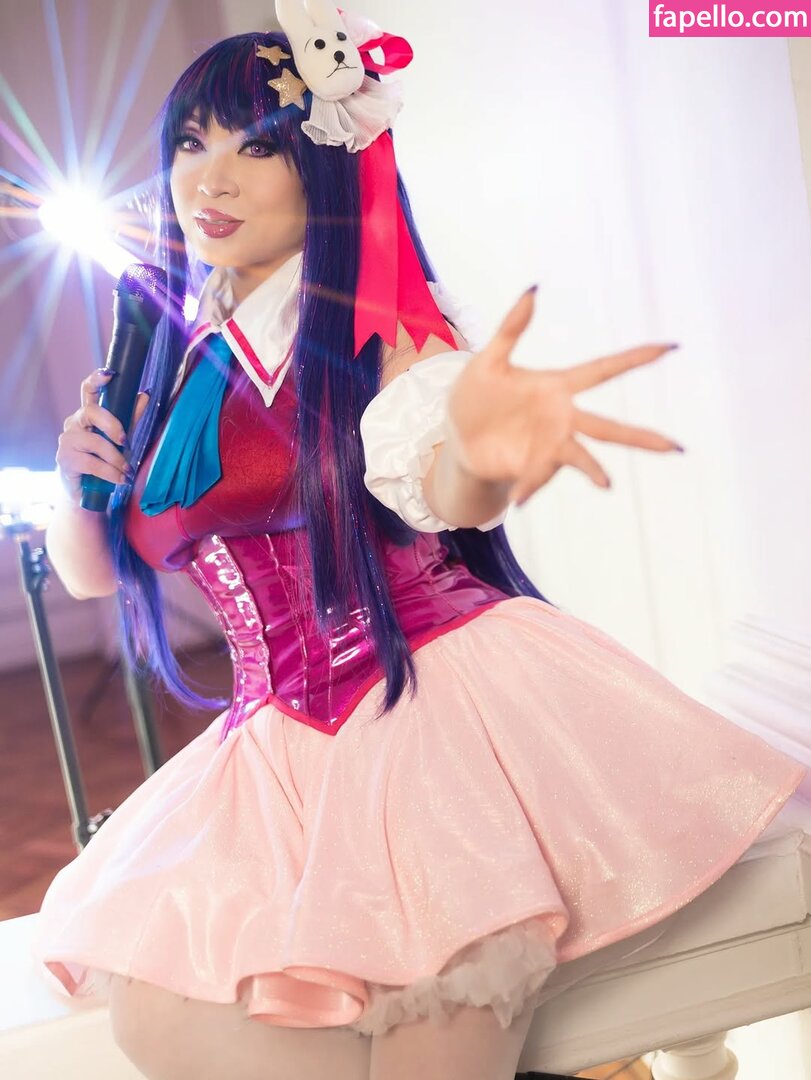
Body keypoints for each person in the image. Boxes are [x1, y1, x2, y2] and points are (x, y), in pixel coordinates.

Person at [32, 5, 806, 1080]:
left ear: (325, 167)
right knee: (162, 1017)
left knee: (434, 1012)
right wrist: (82, 477)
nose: (210, 178)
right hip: (273, 745)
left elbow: (445, 485)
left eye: (258, 147)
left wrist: (483, 449)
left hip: (426, 708)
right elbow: (89, 573)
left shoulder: (383, 326)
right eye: (191, 143)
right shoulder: (173, 354)